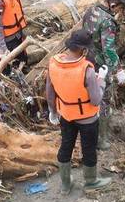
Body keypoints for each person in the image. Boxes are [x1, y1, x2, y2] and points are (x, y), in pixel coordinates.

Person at [46, 30, 112, 193]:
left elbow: (49, 91)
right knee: (88, 149)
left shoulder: (53, 64)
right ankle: (90, 181)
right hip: (87, 118)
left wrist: (53, 111)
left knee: (66, 146)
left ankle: (65, 184)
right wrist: (101, 80)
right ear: (84, 50)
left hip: (66, 115)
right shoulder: (87, 71)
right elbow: (96, 99)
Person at [80, 0, 125, 149]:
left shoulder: (91, 10)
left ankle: (86, 132)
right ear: (114, 3)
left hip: (86, 60)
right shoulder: (108, 22)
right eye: (120, 7)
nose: (120, 11)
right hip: (100, 65)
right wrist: (118, 70)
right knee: (103, 99)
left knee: (88, 97)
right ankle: (102, 139)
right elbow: (108, 50)